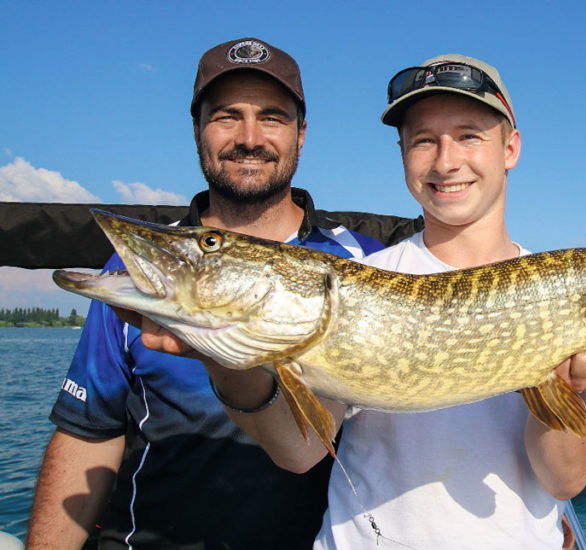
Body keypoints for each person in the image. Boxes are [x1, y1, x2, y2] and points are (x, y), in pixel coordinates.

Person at [193, 54, 586, 549]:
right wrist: (223, 356)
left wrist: (568, 392)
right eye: (424, 140)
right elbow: (300, 451)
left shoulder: (573, 294)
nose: (445, 162)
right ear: (403, 153)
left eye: (469, 135)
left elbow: (564, 480)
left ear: (509, 148)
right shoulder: (361, 281)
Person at [25, 38, 413, 550]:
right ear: (198, 131)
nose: (249, 138)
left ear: (301, 134)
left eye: (272, 117)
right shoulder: (136, 275)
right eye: (227, 116)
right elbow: (86, 434)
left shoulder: (364, 264)